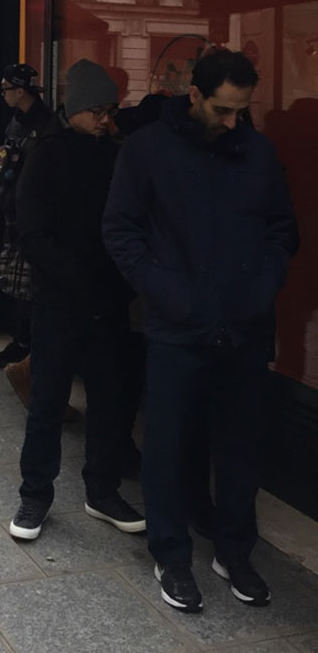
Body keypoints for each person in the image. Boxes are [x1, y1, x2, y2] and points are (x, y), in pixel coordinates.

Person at [103, 49, 299, 613]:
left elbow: (282, 230)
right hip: (177, 327)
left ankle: (235, 552)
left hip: (245, 325)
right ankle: (171, 555)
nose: (233, 119)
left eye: (242, 109)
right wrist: (167, 291)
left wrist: (263, 284)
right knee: (166, 448)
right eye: (222, 108)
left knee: (240, 449)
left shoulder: (258, 152)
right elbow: (120, 230)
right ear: (194, 95)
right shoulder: (147, 150)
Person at [9, 58, 145, 543]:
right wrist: (79, 283)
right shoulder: (46, 152)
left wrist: (122, 284)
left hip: (107, 302)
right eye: (101, 111)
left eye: (111, 111)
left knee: (110, 401)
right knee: (48, 400)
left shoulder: (115, 153)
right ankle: (35, 495)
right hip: (60, 303)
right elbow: (32, 231)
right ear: (79, 107)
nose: (108, 120)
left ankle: (102, 490)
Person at [0, 64, 52, 368]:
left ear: (19, 90)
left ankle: (28, 345)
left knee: (29, 283)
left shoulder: (46, 124)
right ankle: (19, 340)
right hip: (10, 207)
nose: (2, 94)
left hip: (31, 213)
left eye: (5, 88)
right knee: (14, 280)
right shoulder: (15, 122)